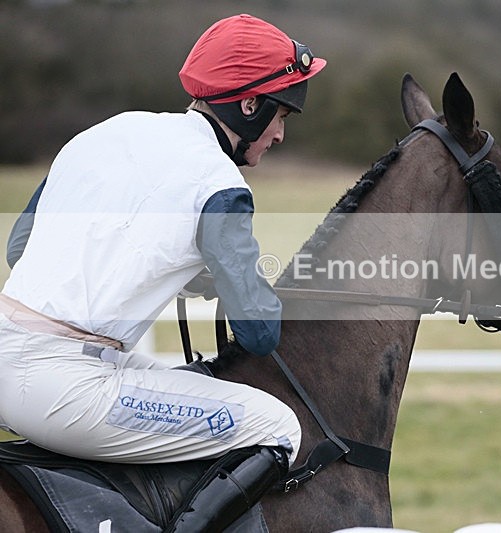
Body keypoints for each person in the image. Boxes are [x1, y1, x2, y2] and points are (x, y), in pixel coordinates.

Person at [0, 13, 325, 531]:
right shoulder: (221, 185)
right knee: (279, 426)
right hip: (64, 388)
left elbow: (21, 247)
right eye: (281, 115)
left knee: (187, 382)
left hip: (14, 356)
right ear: (248, 106)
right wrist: (224, 278)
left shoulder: (109, 130)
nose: (280, 134)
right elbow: (259, 334)